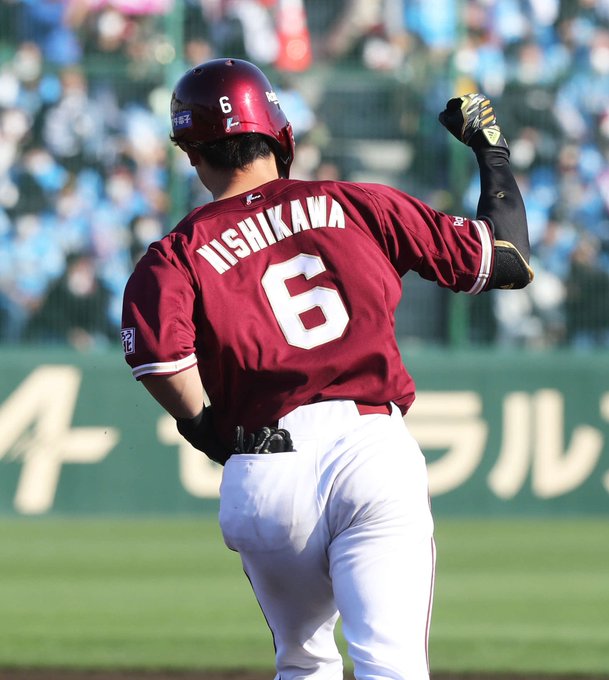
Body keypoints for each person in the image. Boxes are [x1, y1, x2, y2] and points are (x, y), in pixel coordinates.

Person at [121, 58, 532, 680]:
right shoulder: (356, 202)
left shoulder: (176, 252)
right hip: (370, 449)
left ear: (192, 153)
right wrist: (490, 150)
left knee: (303, 662)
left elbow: (162, 361)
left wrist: (208, 431)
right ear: (281, 135)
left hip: (267, 466)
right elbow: (506, 260)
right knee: (391, 665)